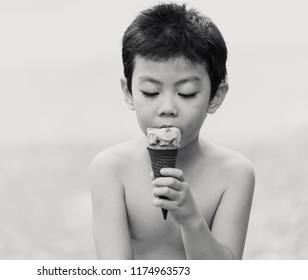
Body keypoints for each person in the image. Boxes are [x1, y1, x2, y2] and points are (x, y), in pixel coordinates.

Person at [88, 3, 255, 260]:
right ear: (128, 93)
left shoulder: (234, 173)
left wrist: (190, 218)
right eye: (150, 93)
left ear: (215, 96)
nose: (167, 108)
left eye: (186, 93)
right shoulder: (110, 169)